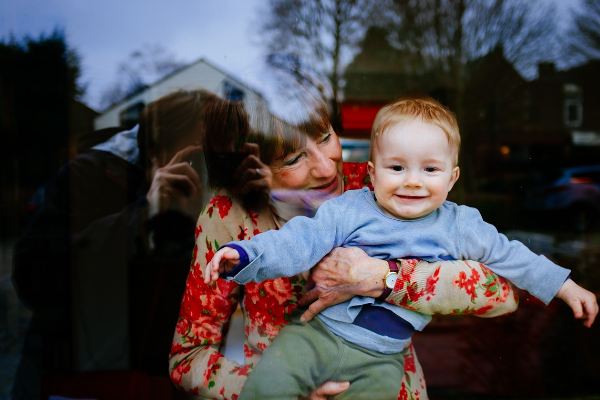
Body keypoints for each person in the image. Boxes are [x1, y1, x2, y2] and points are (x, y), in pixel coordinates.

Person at [206, 97, 599, 400]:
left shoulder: (460, 225)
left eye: (430, 170)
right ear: (373, 173)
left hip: (382, 357)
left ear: (452, 178)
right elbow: (298, 241)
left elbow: (510, 265)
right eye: (397, 169)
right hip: (315, 337)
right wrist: (244, 256)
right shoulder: (351, 206)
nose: (412, 181)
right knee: (268, 384)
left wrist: (564, 286)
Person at [11, 89, 261, 399]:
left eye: (221, 158)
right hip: (78, 379)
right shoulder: (89, 176)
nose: (208, 169)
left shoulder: (219, 198)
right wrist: (142, 215)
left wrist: (257, 208)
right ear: (155, 151)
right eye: (199, 155)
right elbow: (32, 277)